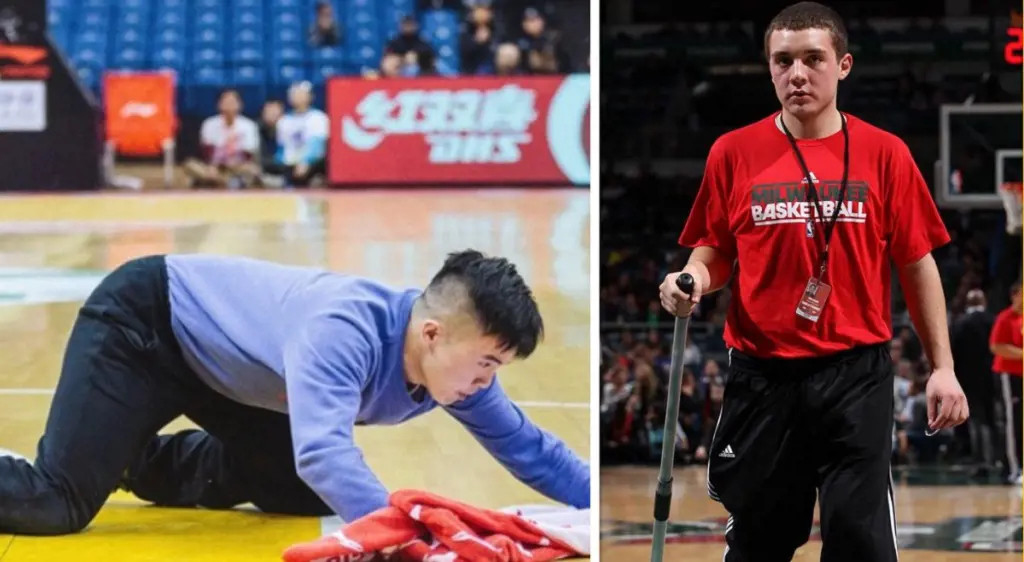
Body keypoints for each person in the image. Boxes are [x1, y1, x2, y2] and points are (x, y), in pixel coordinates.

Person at [657, 3, 968, 561]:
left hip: (855, 376)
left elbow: (917, 263)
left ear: (843, 65)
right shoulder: (733, 152)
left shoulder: (886, 153)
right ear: (769, 69)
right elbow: (716, 249)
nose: (797, 73)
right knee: (761, 540)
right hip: (762, 375)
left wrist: (942, 367)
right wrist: (694, 276)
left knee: (860, 542)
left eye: (812, 59)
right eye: (783, 61)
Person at [0, 250, 589, 535]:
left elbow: (529, 448)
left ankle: (127, 454)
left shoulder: (461, 371)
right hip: (146, 324)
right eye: (486, 361)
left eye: (498, 366)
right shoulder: (345, 327)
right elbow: (324, 451)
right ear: (432, 334)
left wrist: (595, 506)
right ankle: (97, 452)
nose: (488, 380)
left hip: (228, 373)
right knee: (57, 504)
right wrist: (405, 538)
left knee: (298, 493)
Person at [950, 289, 997, 473]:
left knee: (974, 419)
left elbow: (952, 354)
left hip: (966, 379)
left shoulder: (959, 323)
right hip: (993, 378)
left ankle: (978, 459)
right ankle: (996, 458)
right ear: (984, 302)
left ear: (967, 304)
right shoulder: (993, 320)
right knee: (993, 418)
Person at [990, 280, 1022, 485]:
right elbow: (997, 346)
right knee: (1013, 422)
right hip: (1010, 375)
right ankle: (1013, 468)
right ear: (1015, 295)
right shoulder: (1006, 318)